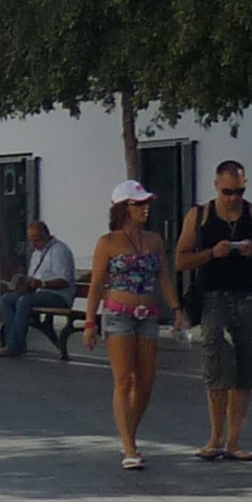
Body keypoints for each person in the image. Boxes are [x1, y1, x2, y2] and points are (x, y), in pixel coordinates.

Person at [175, 158, 252, 460]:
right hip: (212, 297)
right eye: (227, 192)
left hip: (247, 296)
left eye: (238, 191)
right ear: (216, 187)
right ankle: (215, 438)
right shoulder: (199, 216)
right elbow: (181, 260)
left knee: (246, 369)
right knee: (217, 366)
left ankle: (235, 440)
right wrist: (211, 253)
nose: (233, 198)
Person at [86, 178, 180, 469]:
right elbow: (96, 283)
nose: (145, 209)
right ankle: (129, 446)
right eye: (138, 204)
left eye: (146, 204)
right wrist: (90, 321)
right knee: (124, 378)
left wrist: (177, 309)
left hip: (147, 314)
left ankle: (130, 433)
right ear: (124, 208)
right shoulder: (108, 243)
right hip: (119, 313)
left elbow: (163, 277)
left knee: (147, 381)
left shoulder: (153, 240)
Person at [1, 219, 76, 358]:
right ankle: (10, 340)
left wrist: (42, 284)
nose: (35, 244)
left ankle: (16, 345)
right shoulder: (36, 253)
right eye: (31, 241)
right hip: (38, 293)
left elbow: (64, 281)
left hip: (58, 296)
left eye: (38, 240)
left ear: (47, 235)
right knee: (7, 299)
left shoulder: (59, 251)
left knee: (25, 301)